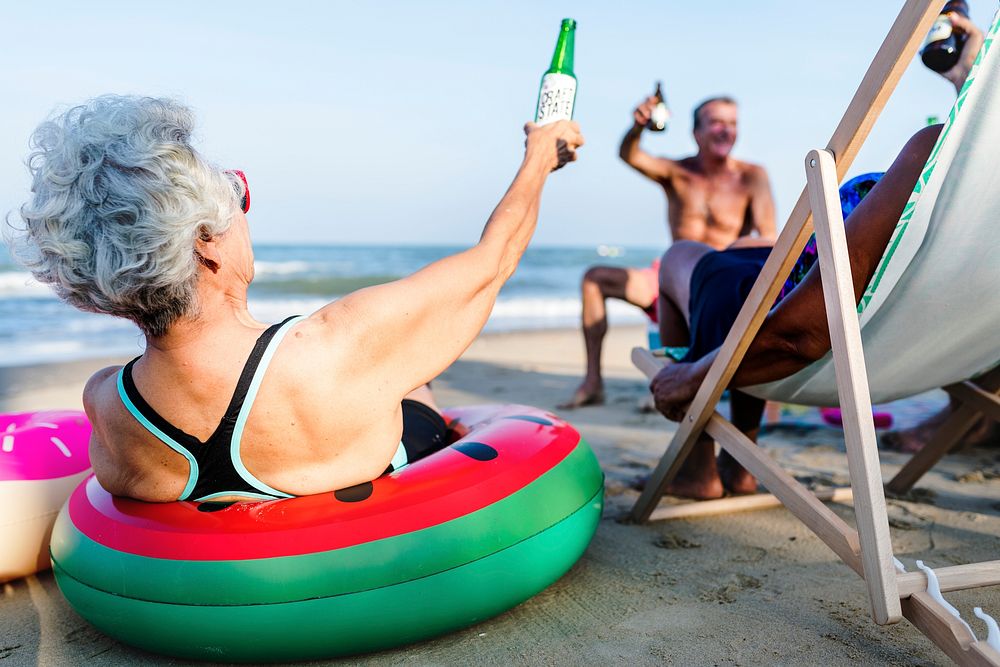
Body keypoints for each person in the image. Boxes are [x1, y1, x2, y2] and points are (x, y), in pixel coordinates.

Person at [9, 95, 584, 502]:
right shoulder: (334, 348)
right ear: (205, 243)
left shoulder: (106, 403)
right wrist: (539, 157)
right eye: (236, 194)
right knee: (415, 383)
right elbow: (495, 259)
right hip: (351, 461)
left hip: (182, 455)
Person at [647, 13, 983, 499]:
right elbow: (976, 155)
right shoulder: (978, 210)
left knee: (698, 262)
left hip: (818, 338)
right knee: (741, 259)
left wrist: (695, 376)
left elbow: (798, 335)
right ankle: (737, 465)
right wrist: (964, 72)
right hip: (923, 351)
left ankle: (699, 465)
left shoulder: (928, 152)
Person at [559, 95, 776, 409]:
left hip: (720, 284)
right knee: (595, 279)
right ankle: (593, 381)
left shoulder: (751, 177)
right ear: (695, 133)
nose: (725, 131)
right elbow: (629, 154)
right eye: (716, 122)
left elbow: (768, 239)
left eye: (732, 124)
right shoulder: (677, 172)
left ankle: (709, 382)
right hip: (671, 282)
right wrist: (637, 128)